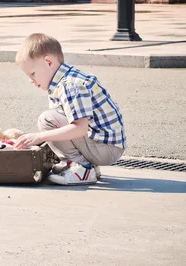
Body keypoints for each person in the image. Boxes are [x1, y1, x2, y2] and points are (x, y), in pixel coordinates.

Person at [13, 33, 126, 186]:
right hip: (105, 145)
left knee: (48, 120)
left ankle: (82, 168)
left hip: (106, 148)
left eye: (33, 74)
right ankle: (88, 166)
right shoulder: (66, 79)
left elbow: (80, 129)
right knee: (53, 118)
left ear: (48, 62)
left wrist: (41, 137)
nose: (31, 80)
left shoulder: (70, 85)